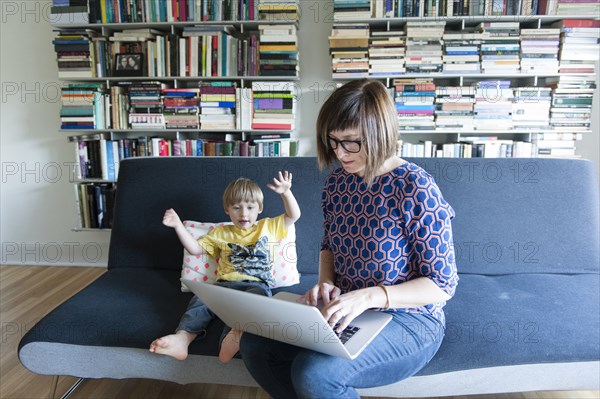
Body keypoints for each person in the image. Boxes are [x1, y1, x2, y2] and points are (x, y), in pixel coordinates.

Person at [239, 79, 459, 398]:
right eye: (333, 142)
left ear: (380, 134)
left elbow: (442, 284)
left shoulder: (416, 187)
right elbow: (329, 246)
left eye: (351, 142)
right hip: (347, 310)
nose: (340, 153)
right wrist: (326, 284)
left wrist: (369, 297)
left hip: (410, 319)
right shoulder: (338, 183)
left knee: (314, 374)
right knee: (255, 344)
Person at [149, 171, 301, 363]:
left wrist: (286, 193)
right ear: (227, 209)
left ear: (260, 208)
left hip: (256, 285)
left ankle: (235, 334)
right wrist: (179, 226)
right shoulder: (220, 232)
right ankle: (183, 338)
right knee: (200, 300)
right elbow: (195, 249)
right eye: (237, 207)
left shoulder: (268, 226)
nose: (244, 213)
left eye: (250, 207)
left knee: (255, 301)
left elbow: (294, 215)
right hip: (223, 285)